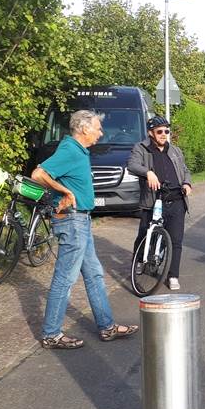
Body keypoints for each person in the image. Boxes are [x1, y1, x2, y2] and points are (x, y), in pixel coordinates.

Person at [32, 110, 138, 349]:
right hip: (71, 221)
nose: (101, 133)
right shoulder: (70, 150)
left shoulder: (78, 151)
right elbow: (38, 174)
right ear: (83, 128)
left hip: (81, 221)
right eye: (98, 128)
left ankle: (107, 327)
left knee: (94, 274)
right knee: (65, 278)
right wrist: (66, 192)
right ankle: (51, 333)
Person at [127, 116, 192, 290]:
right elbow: (132, 165)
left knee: (176, 240)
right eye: (159, 131)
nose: (164, 134)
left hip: (177, 200)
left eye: (166, 131)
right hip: (154, 200)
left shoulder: (175, 150)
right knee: (144, 233)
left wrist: (186, 183)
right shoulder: (141, 148)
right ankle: (139, 259)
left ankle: (173, 276)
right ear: (151, 133)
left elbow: (185, 170)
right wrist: (148, 172)